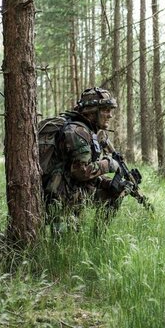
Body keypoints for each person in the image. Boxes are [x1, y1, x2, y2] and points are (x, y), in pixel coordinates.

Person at [39, 87, 132, 231]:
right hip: (60, 199)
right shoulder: (78, 133)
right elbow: (80, 172)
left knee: (116, 190)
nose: (110, 115)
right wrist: (108, 164)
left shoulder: (87, 131)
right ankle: (65, 230)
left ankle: (98, 239)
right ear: (92, 111)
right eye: (106, 110)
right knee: (65, 245)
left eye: (110, 110)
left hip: (71, 191)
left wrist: (109, 183)